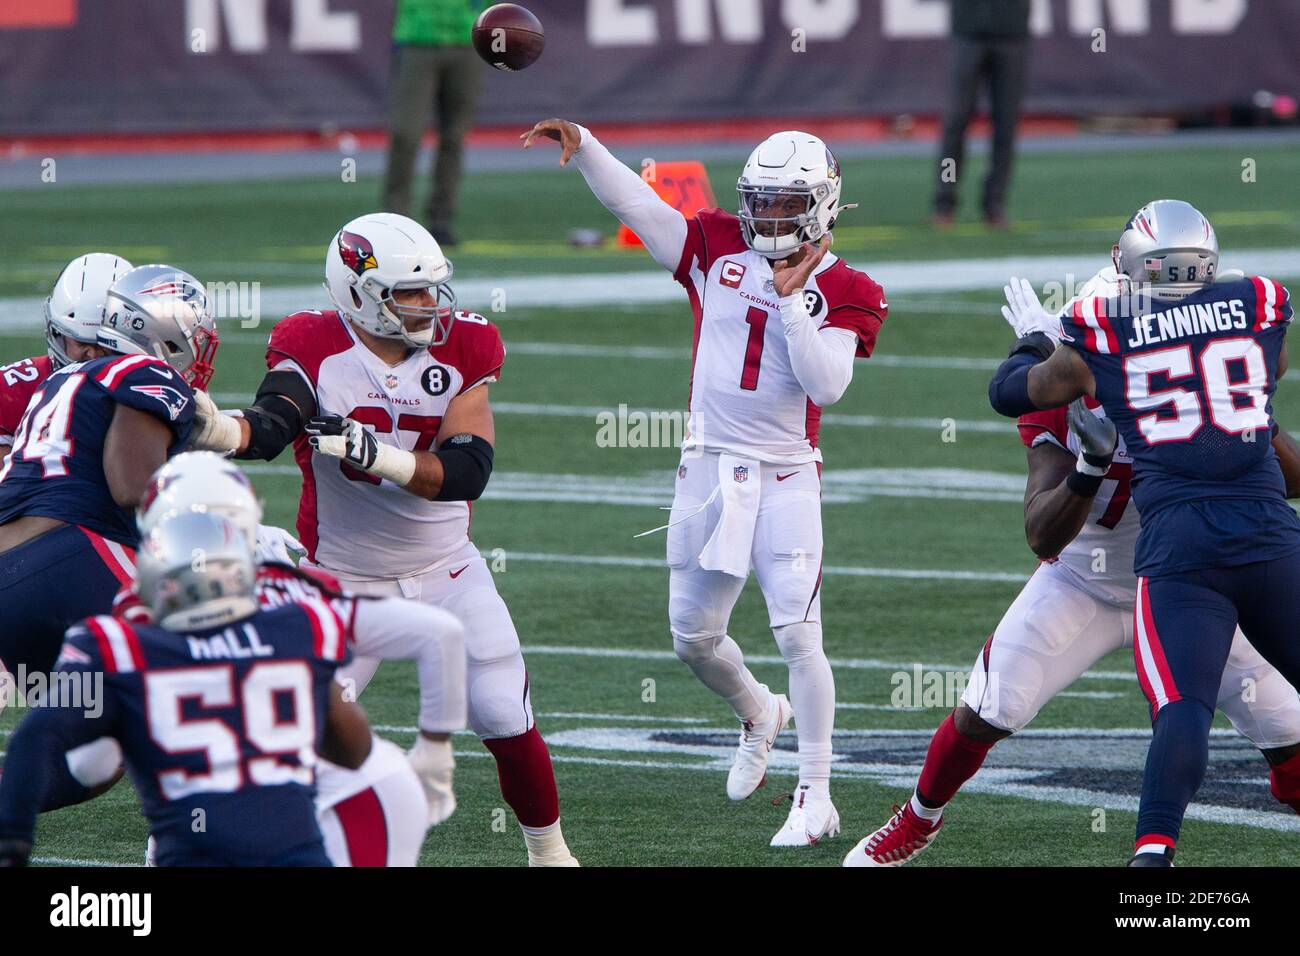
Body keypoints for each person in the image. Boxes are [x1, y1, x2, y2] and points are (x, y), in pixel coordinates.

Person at [843, 268, 1300, 868]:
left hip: (1189, 583)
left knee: (1288, 734)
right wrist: (1090, 464)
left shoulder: (1191, 382)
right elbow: (1040, 532)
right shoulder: (1063, 395)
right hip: (1088, 580)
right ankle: (918, 817)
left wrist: (1248, 425)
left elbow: (1286, 480)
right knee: (988, 708)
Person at [521, 117, 888, 847]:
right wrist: (588, 146)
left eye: (786, 205)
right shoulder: (718, 242)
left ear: (820, 205)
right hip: (709, 466)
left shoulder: (848, 286)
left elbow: (829, 383)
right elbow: (639, 206)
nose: (768, 218)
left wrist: (789, 300)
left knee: (799, 632)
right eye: (762, 201)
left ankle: (815, 794)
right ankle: (759, 711)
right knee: (692, 638)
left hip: (786, 474)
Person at [188, 212, 579, 866]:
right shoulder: (310, 341)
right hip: (343, 577)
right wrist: (220, 430)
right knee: (288, 735)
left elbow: (466, 471)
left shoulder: (466, 345)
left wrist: (384, 457)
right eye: (410, 293)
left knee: (505, 716)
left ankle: (552, 856)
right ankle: (178, 849)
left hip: (447, 566)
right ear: (360, 293)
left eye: (432, 289)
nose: (430, 305)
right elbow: (274, 421)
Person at [987, 199, 1300, 865]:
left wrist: (1037, 343)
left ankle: (1153, 858)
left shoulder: (1106, 325)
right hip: (1271, 530)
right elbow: (1262, 387)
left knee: (1183, 706)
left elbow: (1012, 392)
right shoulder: (1260, 300)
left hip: (1182, 546)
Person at [0, 510, 371, 867]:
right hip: (293, 851)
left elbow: (38, 739)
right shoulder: (300, 624)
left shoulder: (118, 640)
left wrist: (15, 838)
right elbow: (355, 751)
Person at [0, 264, 218, 681]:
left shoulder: (56, 382)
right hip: (72, 558)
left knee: (89, 727)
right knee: (200, 670)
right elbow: (133, 487)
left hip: (12, 575)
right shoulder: (148, 372)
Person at [0, 253, 134, 463]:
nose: (94, 355)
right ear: (57, 335)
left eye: (107, 345)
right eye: (82, 344)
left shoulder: (156, 389)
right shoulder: (13, 392)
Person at [381, 0, 486, 246]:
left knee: (454, 137)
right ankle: (397, 218)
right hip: (418, 36)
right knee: (406, 133)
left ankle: (441, 219)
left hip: (466, 36)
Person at [932, 0, 1032, 229]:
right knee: (956, 120)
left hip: (1011, 30)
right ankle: (944, 202)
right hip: (968, 30)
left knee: (1006, 123)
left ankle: (995, 204)